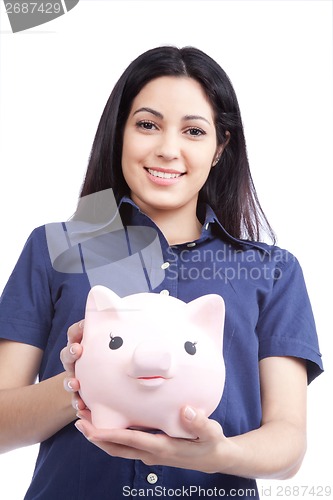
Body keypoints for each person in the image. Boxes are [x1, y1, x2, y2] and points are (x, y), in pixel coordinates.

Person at [0, 46, 323, 499]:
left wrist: (217, 455)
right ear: (121, 133)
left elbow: (288, 445)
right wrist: (86, 380)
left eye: (193, 131)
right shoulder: (55, 249)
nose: (168, 149)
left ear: (219, 148)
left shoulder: (271, 271)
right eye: (147, 125)